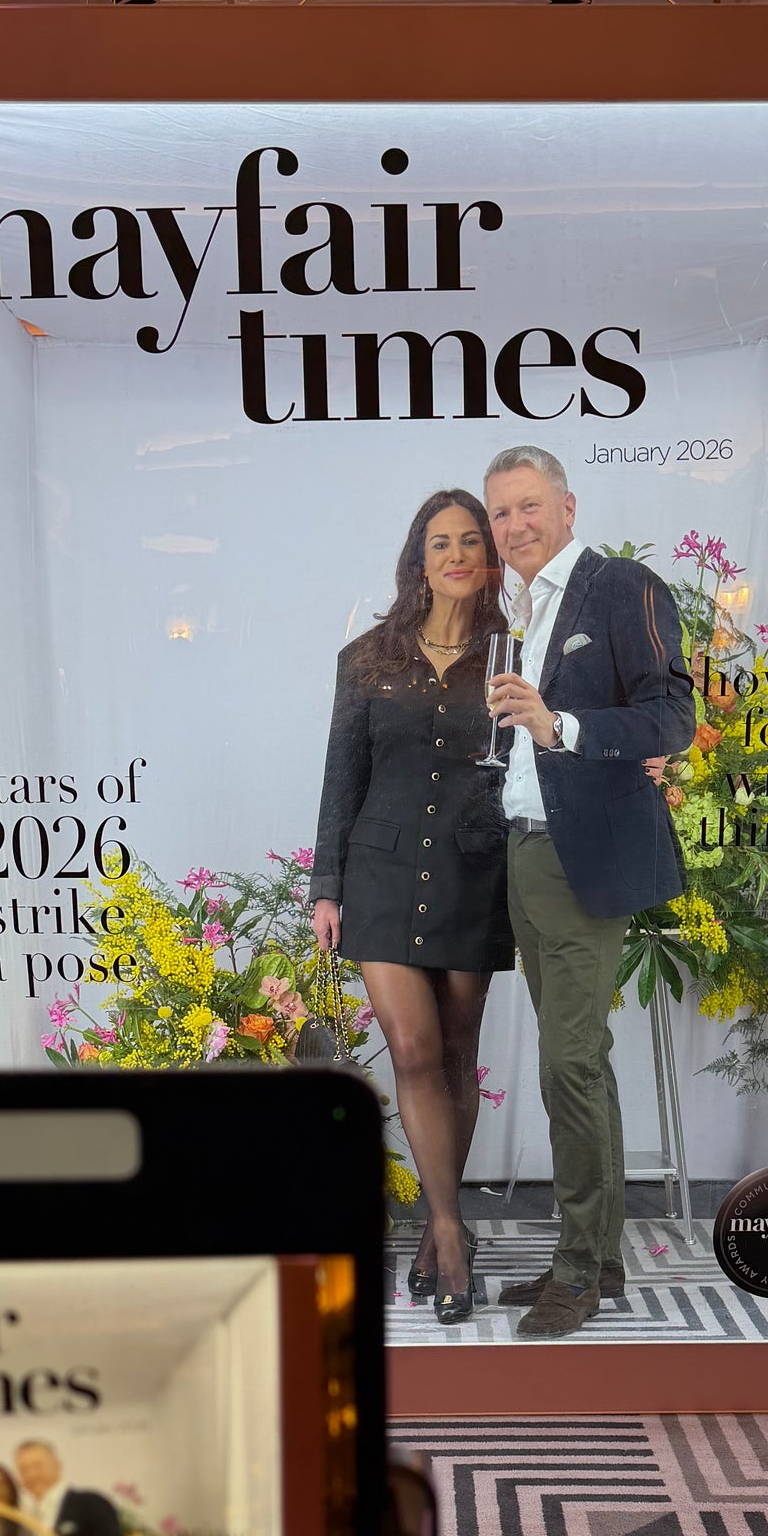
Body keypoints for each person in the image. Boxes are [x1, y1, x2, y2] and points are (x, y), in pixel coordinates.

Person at [481, 444, 696, 1337]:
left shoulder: (621, 587)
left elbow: (672, 714)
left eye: (529, 505)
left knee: (568, 1062)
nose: (515, 526)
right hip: (523, 852)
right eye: (501, 513)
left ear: (567, 508)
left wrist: (559, 724)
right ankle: (598, 1258)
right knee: (581, 1059)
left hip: (583, 861)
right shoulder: (511, 608)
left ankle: (576, 1268)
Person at [310, 489, 512, 1321]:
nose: (456, 555)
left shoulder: (511, 655)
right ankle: (453, 1235)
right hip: (381, 874)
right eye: (440, 543)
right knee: (415, 1049)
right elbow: (341, 777)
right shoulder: (366, 658)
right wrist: (326, 886)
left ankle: (435, 1230)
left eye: (469, 541)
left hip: (474, 874)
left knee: (458, 1054)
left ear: (488, 559)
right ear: (418, 560)